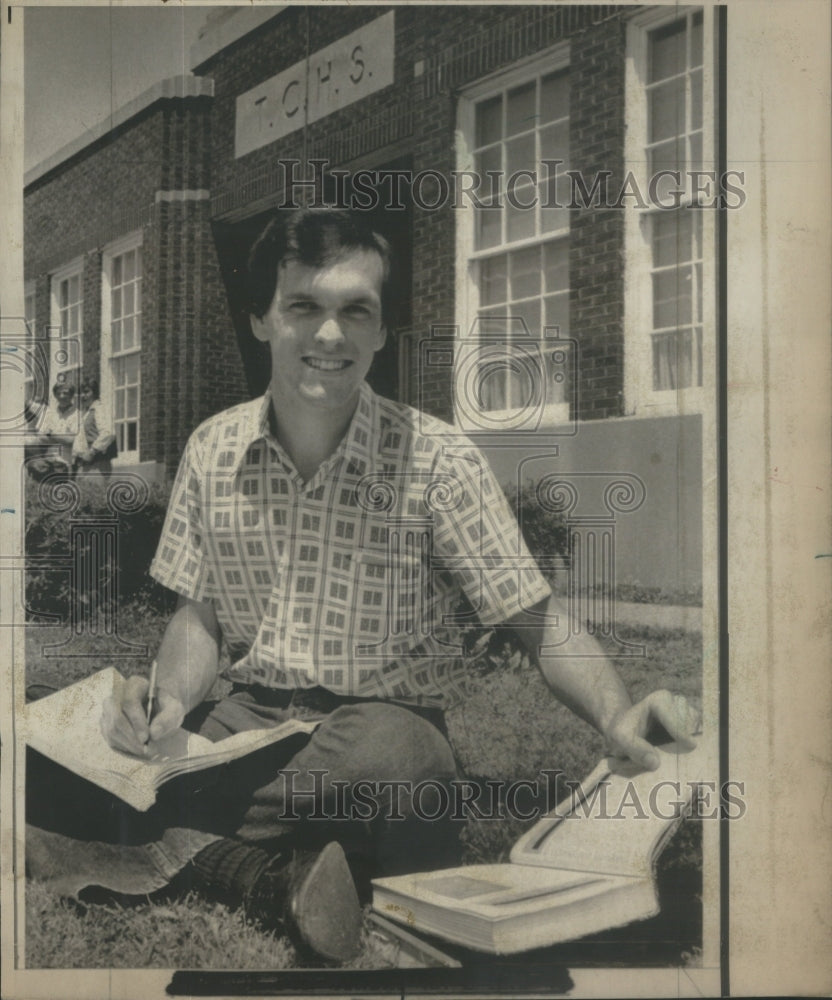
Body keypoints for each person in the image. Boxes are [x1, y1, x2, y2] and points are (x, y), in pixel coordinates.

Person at [29, 208, 698, 964]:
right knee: (30, 758)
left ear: (381, 332)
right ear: (260, 320)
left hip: (378, 726)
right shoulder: (212, 450)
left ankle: (149, 826)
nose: (329, 335)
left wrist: (616, 713)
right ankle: (260, 873)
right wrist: (171, 702)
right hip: (243, 727)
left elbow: (536, 621)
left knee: (400, 764)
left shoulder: (438, 460)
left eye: (356, 311)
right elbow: (200, 619)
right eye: (303, 307)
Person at [27, 379, 78, 480]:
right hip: (47, 461)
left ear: (72, 395)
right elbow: (41, 436)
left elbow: (72, 440)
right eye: (58, 393)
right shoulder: (50, 412)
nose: (61, 396)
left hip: (64, 463)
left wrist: (51, 434)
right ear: (55, 395)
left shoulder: (76, 414)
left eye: (65, 393)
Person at [72, 378, 116, 477]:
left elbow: (108, 432)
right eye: (81, 393)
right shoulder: (85, 413)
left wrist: (92, 451)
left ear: (95, 393)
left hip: (98, 465)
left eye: (86, 392)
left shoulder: (99, 409)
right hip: (83, 465)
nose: (83, 396)